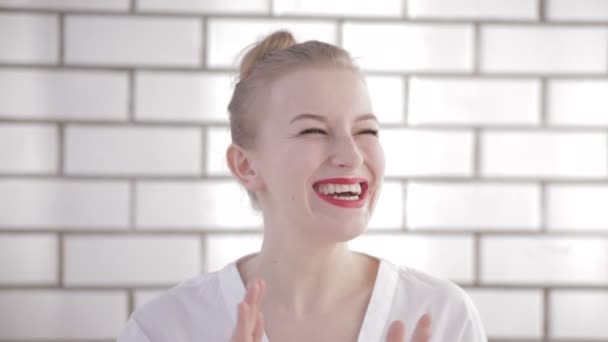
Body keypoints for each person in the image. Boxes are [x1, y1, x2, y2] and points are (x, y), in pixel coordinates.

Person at [117, 30, 487, 342]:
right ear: (245, 165)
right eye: (313, 130)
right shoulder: (166, 327)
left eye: (366, 131)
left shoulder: (440, 314)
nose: (352, 156)